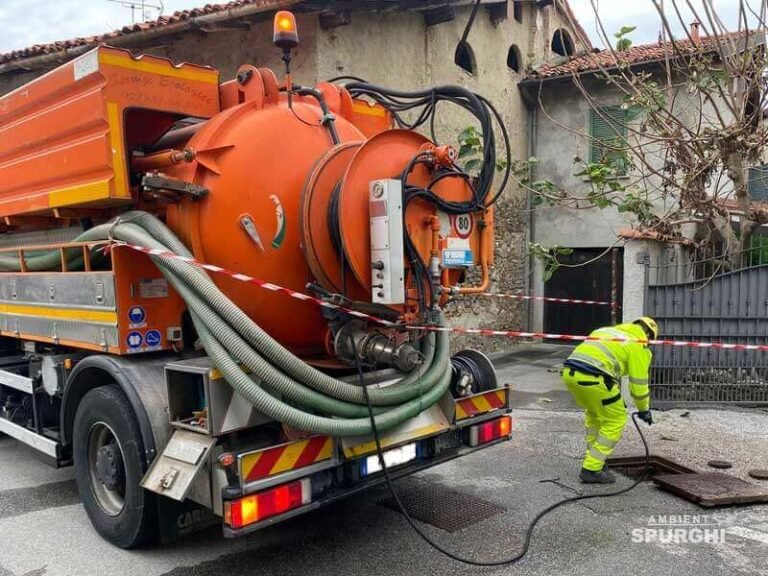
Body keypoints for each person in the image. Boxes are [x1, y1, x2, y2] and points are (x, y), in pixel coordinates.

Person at [561, 317, 658, 484]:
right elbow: (638, 385)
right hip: (596, 379)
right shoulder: (639, 344)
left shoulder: (605, 331)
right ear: (649, 336)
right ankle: (591, 469)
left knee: (594, 416)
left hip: (570, 374)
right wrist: (644, 409)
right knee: (616, 419)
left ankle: (596, 460)